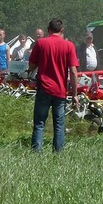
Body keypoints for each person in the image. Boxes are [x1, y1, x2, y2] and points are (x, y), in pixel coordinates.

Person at [28, 18, 79, 153]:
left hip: (44, 88)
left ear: (48, 30)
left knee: (39, 123)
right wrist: (75, 94)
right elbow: (73, 72)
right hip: (60, 91)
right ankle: (58, 154)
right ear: (61, 30)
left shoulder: (40, 43)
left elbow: (32, 66)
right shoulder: (69, 46)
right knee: (59, 125)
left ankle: (36, 152)